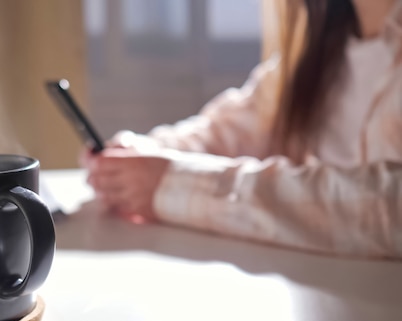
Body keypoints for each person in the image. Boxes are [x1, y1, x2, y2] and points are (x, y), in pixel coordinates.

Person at [83, 0, 402, 258]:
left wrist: (172, 183)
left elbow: (388, 207)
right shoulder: (318, 51)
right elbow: (229, 130)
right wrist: (139, 157)